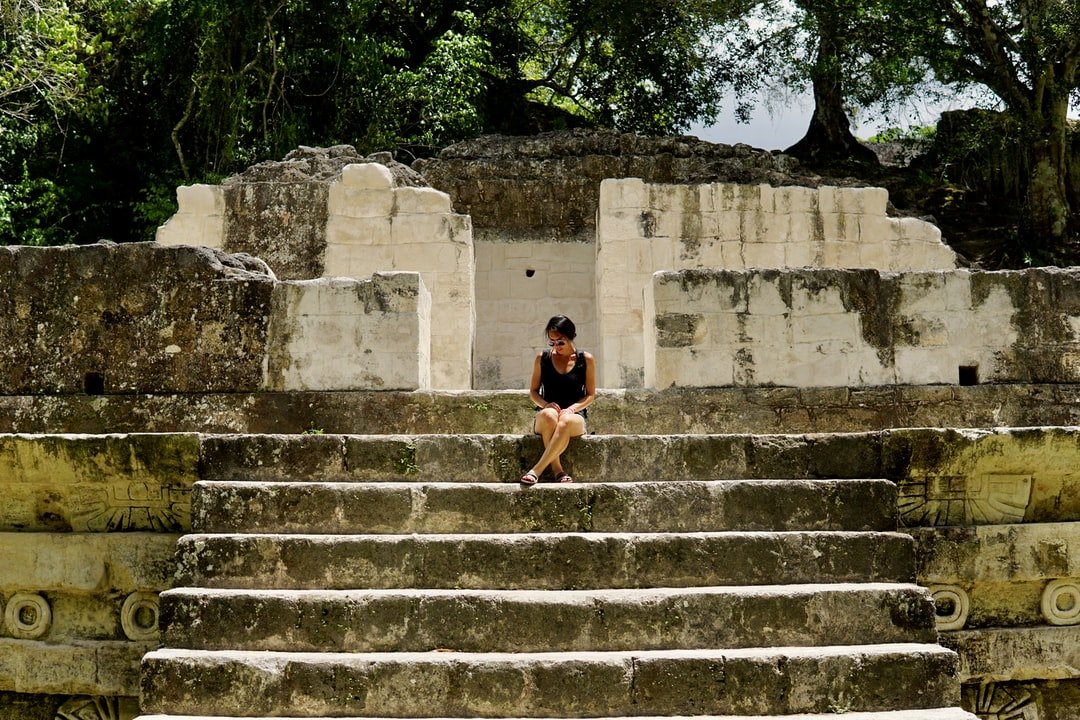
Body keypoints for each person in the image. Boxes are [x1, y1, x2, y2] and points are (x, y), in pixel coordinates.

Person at [520, 314, 596, 485]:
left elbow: (590, 394)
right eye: (552, 342)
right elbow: (533, 391)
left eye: (560, 342)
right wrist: (546, 404)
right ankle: (557, 469)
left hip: (574, 415)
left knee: (565, 420)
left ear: (571, 337)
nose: (556, 346)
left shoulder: (586, 360)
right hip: (548, 414)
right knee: (549, 415)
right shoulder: (543, 358)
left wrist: (572, 409)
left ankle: (536, 470)